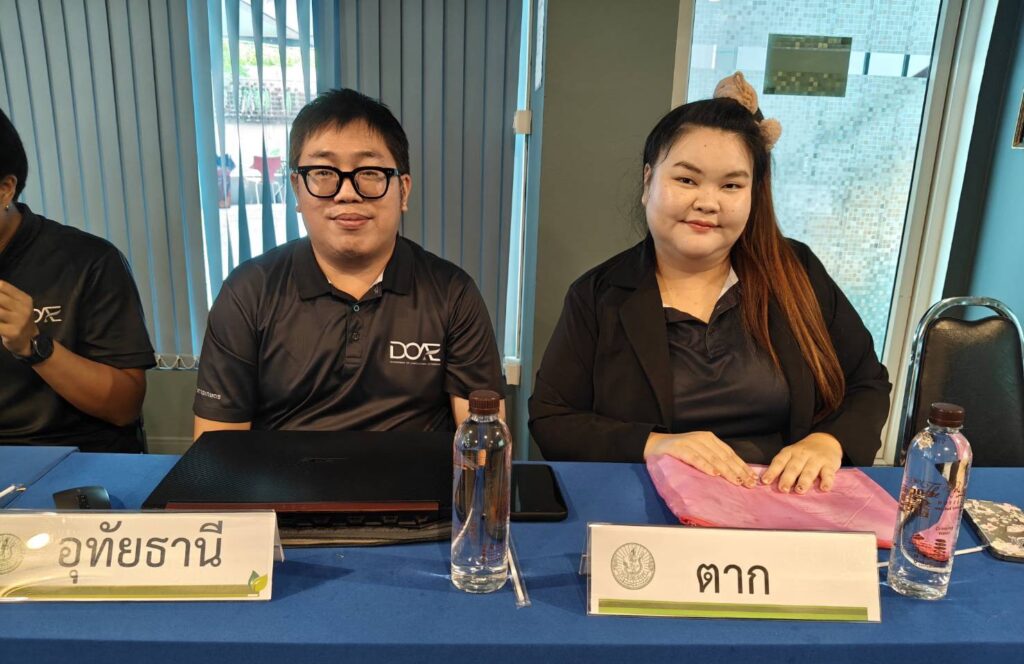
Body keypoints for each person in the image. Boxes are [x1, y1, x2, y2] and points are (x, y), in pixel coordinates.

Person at [529, 73, 891, 494]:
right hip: (648, 506)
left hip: (781, 502)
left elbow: (867, 382)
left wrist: (828, 441)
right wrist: (655, 444)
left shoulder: (797, 272)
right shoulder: (598, 295)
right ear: (648, 182)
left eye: (731, 185)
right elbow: (553, 419)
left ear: (754, 195)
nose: (707, 202)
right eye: (686, 180)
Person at [193, 89, 504, 438]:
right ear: (297, 189)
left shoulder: (452, 293)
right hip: (281, 474)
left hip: (414, 474)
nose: (346, 192)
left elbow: (484, 441)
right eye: (323, 172)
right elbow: (217, 448)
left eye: (370, 172)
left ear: (403, 190)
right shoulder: (248, 292)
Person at [0, 108, 155, 452]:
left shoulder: (89, 261)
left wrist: (34, 346)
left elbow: (125, 406)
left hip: (75, 455)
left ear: (5, 189)